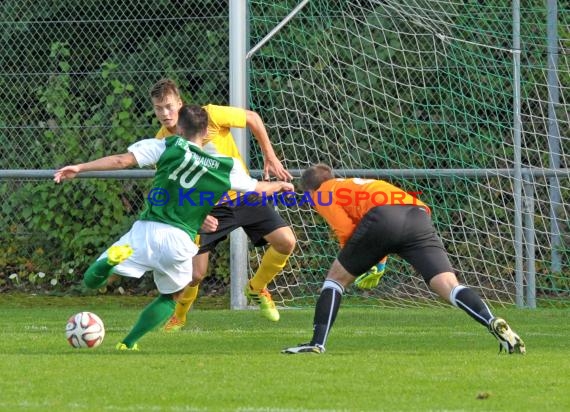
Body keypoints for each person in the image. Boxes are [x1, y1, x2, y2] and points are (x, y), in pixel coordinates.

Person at [54, 105, 294, 350]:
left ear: (179, 128)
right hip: (179, 240)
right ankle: (128, 343)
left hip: (145, 230)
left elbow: (121, 160)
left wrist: (80, 168)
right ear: (206, 131)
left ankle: (108, 263)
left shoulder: (165, 145)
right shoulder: (224, 165)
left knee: (92, 281)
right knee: (172, 297)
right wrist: (280, 186)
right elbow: (258, 188)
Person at [282, 163, 526, 355]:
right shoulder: (358, 184)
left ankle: (316, 343)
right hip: (418, 214)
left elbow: (347, 230)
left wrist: (358, 261)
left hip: (384, 218)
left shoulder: (323, 192)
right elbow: (378, 226)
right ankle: (493, 322)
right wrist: (378, 259)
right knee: (449, 285)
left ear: (312, 191)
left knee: (335, 280)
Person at [150, 78, 296, 329]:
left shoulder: (210, 116)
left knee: (286, 241)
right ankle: (179, 316)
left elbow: (252, 118)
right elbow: (171, 185)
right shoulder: (163, 142)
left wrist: (270, 156)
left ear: (180, 103)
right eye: (159, 108)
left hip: (243, 195)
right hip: (207, 208)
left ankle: (257, 288)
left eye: (169, 106)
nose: (165, 113)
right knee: (195, 274)